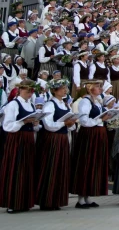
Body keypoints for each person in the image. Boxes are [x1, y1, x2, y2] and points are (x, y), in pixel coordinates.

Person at [36, 78, 77, 211]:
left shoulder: (65, 104)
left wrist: (71, 123)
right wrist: (64, 124)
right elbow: (48, 124)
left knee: (60, 168)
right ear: (54, 90)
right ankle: (46, 200)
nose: (65, 90)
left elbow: (69, 124)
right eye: (62, 88)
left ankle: (56, 199)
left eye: (65, 88)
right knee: (50, 167)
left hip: (62, 138)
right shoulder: (50, 104)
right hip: (52, 139)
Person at [0, 79, 40, 213]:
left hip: (28, 139)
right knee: (15, 168)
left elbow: (34, 127)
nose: (30, 94)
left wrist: (35, 124)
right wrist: (23, 122)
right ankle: (12, 202)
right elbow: (7, 126)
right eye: (28, 91)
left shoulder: (31, 105)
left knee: (26, 169)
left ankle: (24, 201)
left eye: (31, 91)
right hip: (16, 139)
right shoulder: (13, 105)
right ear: (20, 90)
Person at [70, 79, 111, 209]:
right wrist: (100, 119)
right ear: (90, 88)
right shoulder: (85, 102)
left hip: (98, 134)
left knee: (94, 163)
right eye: (97, 87)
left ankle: (88, 196)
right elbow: (84, 120)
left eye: (100, 87)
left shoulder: (97, 102)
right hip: (89, 135)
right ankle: (81, 198)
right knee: (86, 163)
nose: (100, 89)